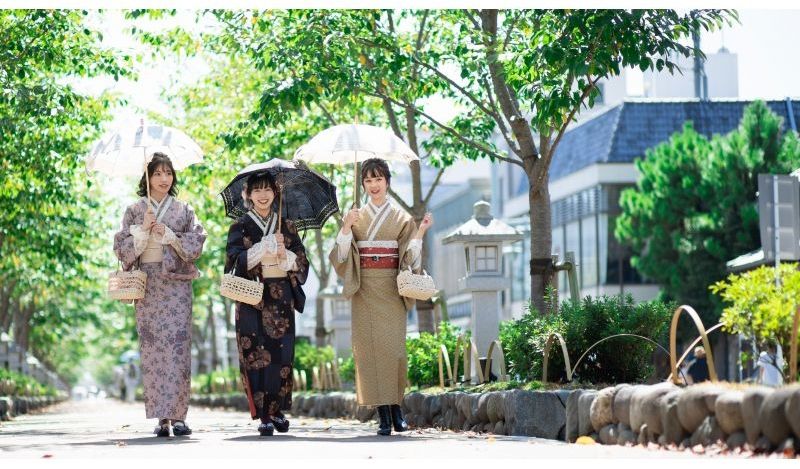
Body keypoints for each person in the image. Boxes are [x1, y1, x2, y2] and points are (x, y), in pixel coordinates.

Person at [329, 158, 433, 436]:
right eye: (368, 180)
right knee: (369, 353)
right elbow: (342, 257)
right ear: (362, 184)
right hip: (364, 289)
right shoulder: (355, 215)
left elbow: (409, 258)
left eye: (378, 179)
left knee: (394, 352)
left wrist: (420, 231)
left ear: (387, 181)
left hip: (390, 288)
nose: (373, 185)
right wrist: (346, 228)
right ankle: (383, 415)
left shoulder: (400, 217)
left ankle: (397, 409)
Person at [113, 152, 206, 437]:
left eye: (168, 173)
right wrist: (142, 231)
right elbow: (121, 248)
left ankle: (178, 416)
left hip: (176, 285)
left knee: (178, 347)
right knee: (153, 349)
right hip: (148, 284)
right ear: (147, 177)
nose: (164, 179)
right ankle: (161, 418)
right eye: (157, 173)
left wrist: (171, 237)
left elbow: (197, 243)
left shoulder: (184, 209)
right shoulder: (134, 210)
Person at [225, 171, 309, 436]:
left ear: (276, 193)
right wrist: (263, 247)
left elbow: (303, 266)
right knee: (256, 355)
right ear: (248, 195)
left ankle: (277, 410)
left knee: (281, 354)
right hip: (251, 296)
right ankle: (262, 413)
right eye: (257, 190)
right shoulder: (239, 226)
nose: (263, 195)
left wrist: (287, 255)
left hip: (281, 293)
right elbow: (234, 263)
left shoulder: (288, 225)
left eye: (268, 190)